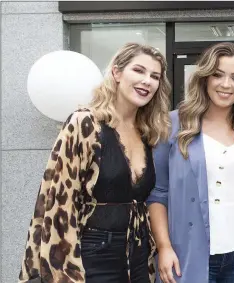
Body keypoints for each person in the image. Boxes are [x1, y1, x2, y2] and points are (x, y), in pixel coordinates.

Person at [18, 42, 172, 283]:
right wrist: (64, 272)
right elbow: (60, 202)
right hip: (91, 254)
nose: (147, 81)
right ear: (117, 73)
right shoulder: (84, 123)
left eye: (155, 76)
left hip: (139, 256)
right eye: (139, 71)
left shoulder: (148, 132)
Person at [147, 42, 234, 283]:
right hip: (189, 252)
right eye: (218, 75)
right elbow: (158, 193)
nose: (226, 85)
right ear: (204, 78)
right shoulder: (173, 125)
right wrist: (163, 247)